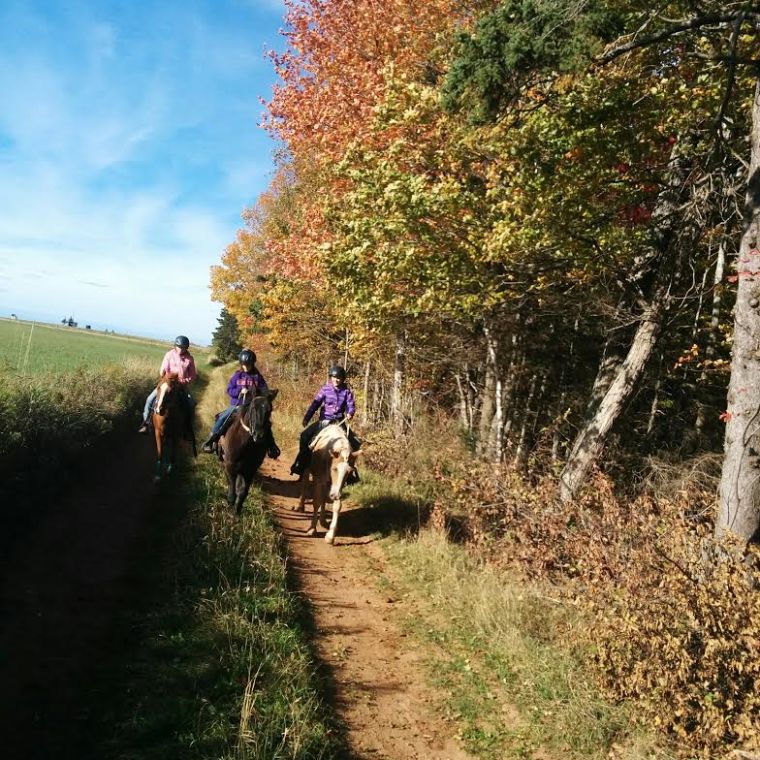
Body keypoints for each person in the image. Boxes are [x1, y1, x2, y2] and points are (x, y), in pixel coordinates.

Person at [201, 349, 280, 457]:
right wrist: (239, 391)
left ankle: (272, 446)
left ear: (253, 364)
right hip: (237, 405)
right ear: (241, 364)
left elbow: (264, 391)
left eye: (248, 365)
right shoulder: (237, 375)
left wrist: (263, 394)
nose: (246, 367)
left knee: (265, 422)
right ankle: (212, 440)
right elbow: (229, 390)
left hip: (251, 407)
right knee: (223, 417)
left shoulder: (258, 377)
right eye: (244, 365)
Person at [290, 365, 360, 481]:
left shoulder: (347, 392)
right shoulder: (325, 389)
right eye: (333, 377)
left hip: (339, 422)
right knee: (305, 436)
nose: (336, 380)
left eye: (338, 378)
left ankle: (349, 473)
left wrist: (350, 412)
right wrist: (307, 418)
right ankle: (301, 466)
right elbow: (315, 404)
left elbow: (350, 405)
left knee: (355, 442)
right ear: (330, 377)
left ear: (343, 379)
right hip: (324, 421)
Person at [137, 335, 197, 433]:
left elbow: (193, 375)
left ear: (186, 348)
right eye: (179, 347)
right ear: (175, 346)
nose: (181, 349)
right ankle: (146, 423)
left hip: (181, 386)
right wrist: (166, 377)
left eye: (183, 347)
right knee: (149, 400)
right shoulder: (169, 355)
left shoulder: (189, 359)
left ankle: (187, 428)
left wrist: (184, 381)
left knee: (191, 404)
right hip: (167, 383)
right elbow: (163, 369)